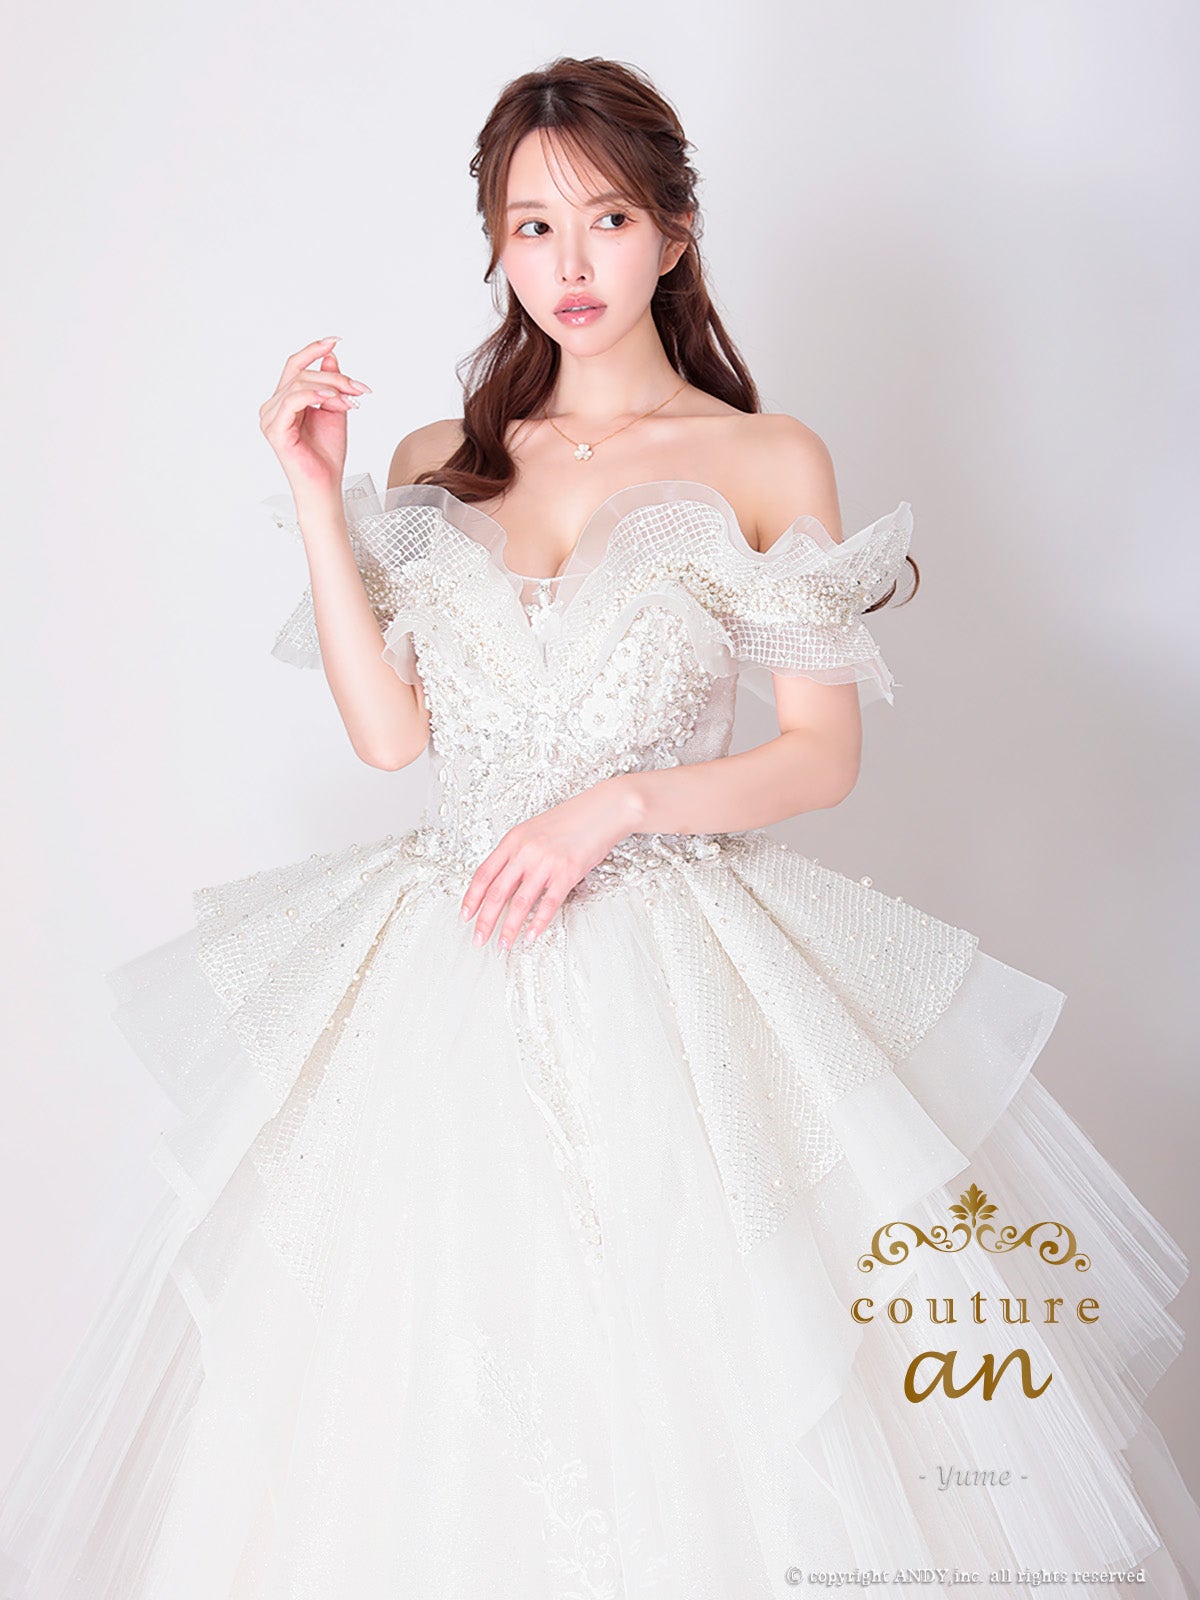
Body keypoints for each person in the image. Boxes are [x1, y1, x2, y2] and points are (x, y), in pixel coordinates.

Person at [1, 53, 1198, 1600]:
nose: (570, 262)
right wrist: (312, 496)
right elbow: (391, 739)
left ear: (675, 232)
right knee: (407, 1401)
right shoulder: (438, 461)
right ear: (497, 246)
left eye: (609, 218)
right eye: (533, 226)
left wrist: (618, 808)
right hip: (442, 969)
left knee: (709, 1377)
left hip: (669, 966)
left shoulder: (763, 456)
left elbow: (818, 754)